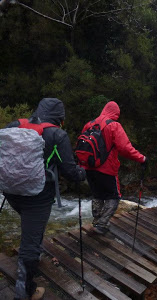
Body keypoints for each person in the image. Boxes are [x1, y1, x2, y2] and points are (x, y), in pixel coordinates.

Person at [3, 98, 86, 300]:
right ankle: (24, 292)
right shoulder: (57, 134)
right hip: (38, 196)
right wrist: (83, 173)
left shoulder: (15, 125)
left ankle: (33, 256)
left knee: (32, 230)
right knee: (29, 243)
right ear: (60, 118)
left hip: (9, 190)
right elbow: (69, 170)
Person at [80, 101, 147, 234]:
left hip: (89, 167)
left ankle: (97, 221)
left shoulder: (89, 124)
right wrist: (142, 158)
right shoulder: (114, 125)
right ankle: (102, 224)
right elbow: (125, 148)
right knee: (114, 196)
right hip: (107, 169)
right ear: (116, 113)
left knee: (97, 194)